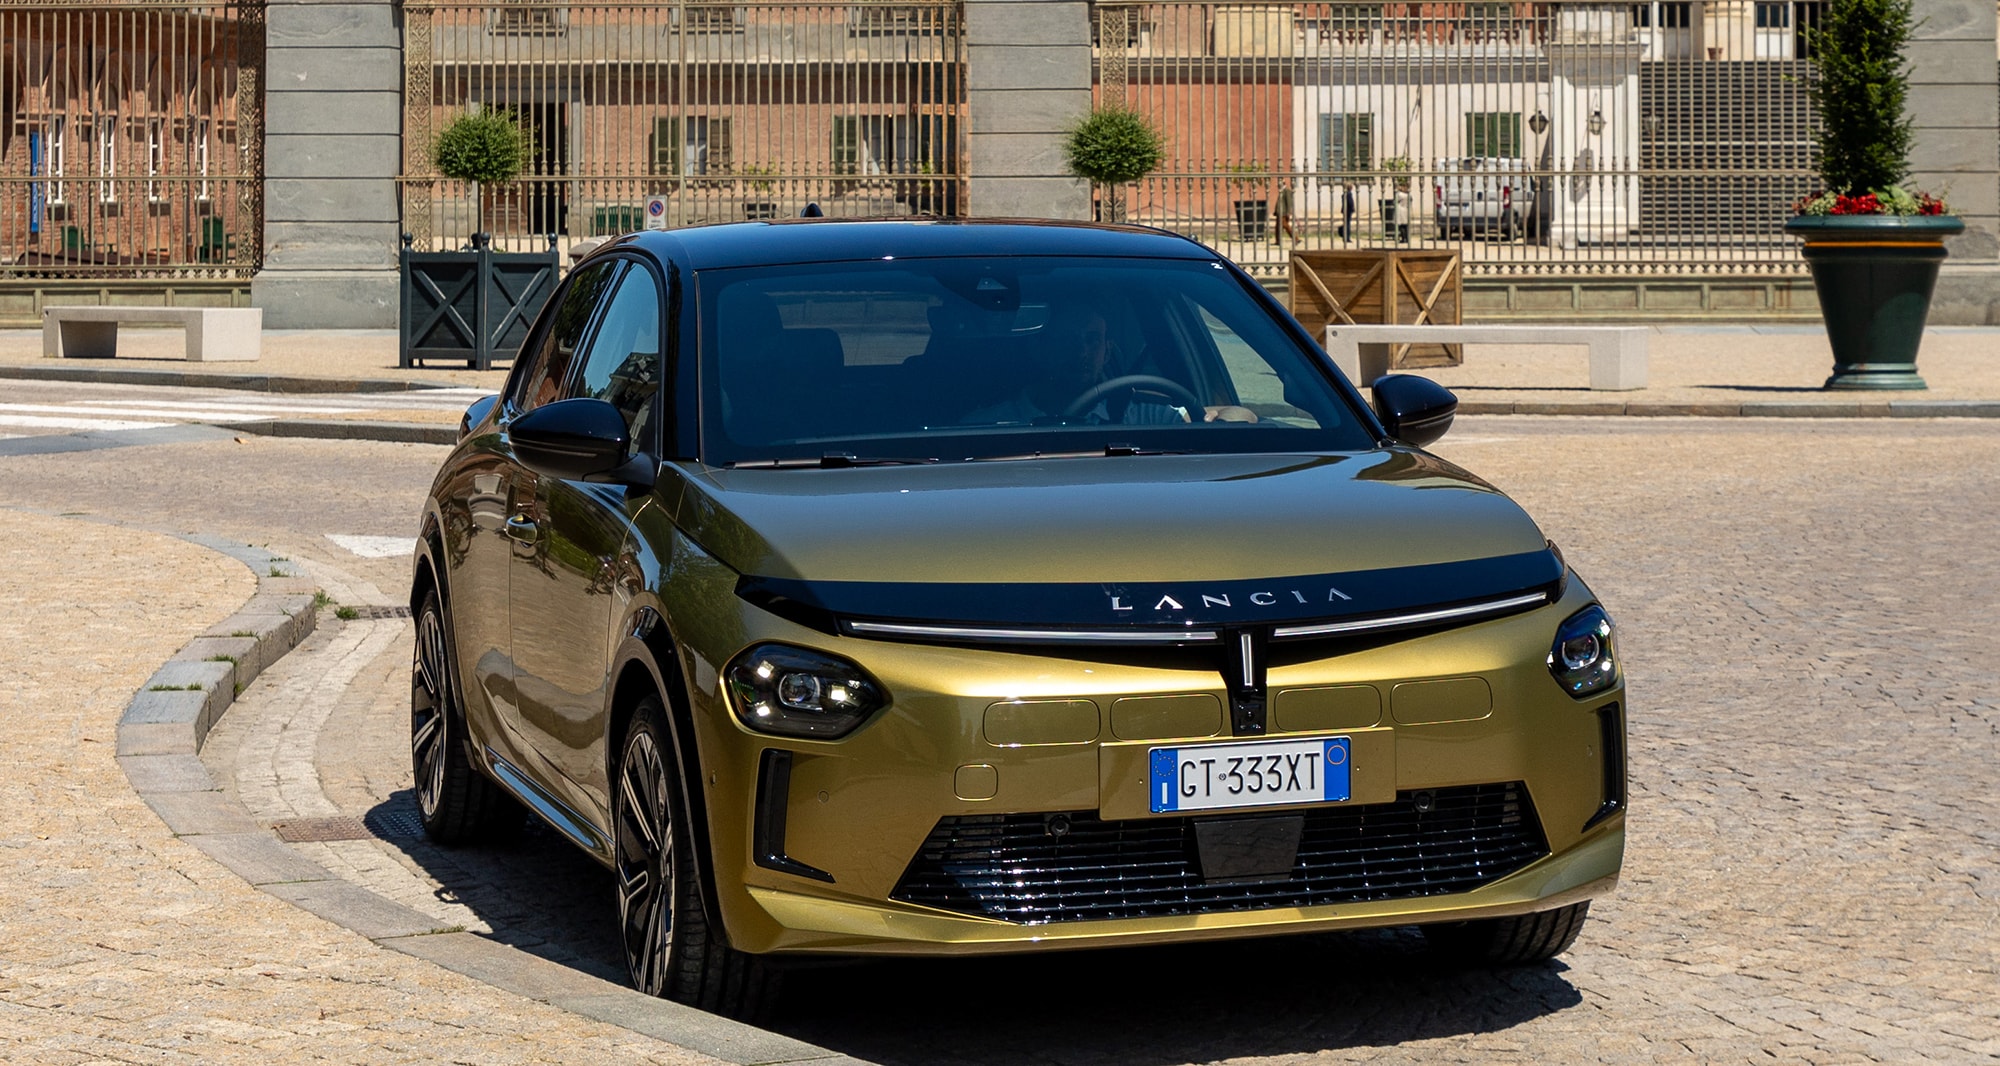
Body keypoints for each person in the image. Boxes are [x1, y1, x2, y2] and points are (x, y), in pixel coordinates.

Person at [964, 304, 1257, 425]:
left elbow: (1238, 417)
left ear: (1107, 352)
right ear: (1040, 350)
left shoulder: (1138, 417)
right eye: (1067, 340)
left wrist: (1218, 417)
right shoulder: (991, 423)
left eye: (1092, 340)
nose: (1081, 351)